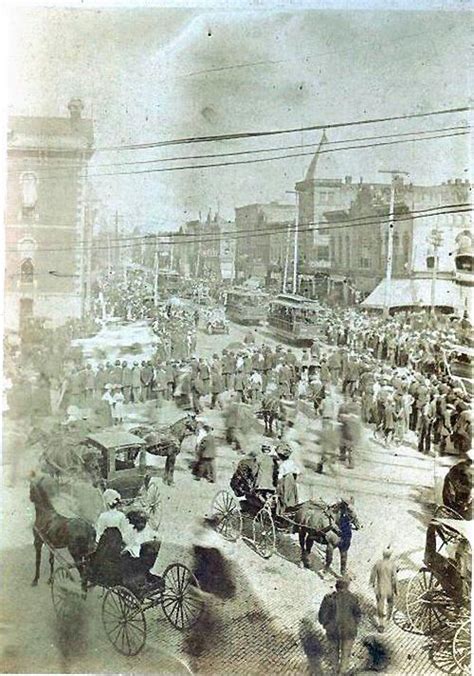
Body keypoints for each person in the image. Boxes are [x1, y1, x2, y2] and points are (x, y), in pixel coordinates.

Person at [318, 577, 362, 675]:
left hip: (333, 630)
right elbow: (358, 614)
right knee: (346, 653)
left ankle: (334, 670)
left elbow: (322, 615)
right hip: (349, 630)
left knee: (334, 651)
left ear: (336, 587)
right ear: (347, 587)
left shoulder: (329, 598)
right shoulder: (353, 598)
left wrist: (325, 624)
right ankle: (342, 672)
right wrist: (354, 624)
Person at [369, 546, 399, 632]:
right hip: (389, 588)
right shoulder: (392, 564)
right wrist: (396, 590)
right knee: (390, 603)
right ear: (390, 555)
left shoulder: (378, 563)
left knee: (380, 605)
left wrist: (372, 585)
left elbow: (373, 576)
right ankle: (388, 620)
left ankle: (381, 624)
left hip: (380, 588)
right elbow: (395, 579)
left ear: (383, 554)